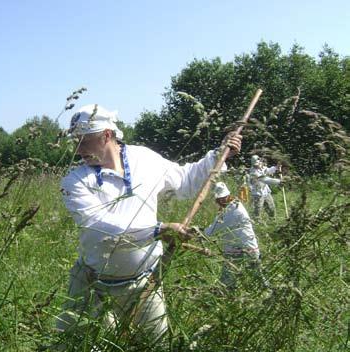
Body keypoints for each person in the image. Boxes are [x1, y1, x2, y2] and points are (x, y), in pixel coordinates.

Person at [56, 104, 242, 343]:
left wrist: (218, 155)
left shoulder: (143, 157)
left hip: (144, 282)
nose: (78, 149)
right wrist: (157, 230)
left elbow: (185, 181)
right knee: (73, 344)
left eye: (84, 141)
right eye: (76, 141)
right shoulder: (75, 181)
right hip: (93, 285)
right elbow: (97, 227)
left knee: (156, 345)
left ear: (106, 135)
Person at [204, 182, 269, 290]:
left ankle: (267, 294)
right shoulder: (234, 205)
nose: (216, 202)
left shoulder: (231, 211)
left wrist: (193, 231)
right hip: (240, 248)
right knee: (252, 277)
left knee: (253, 278)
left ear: (222, 199)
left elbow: (209, 232)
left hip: (245, 250)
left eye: (217, 200)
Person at [248, 155, 281, 220]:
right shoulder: (253, 172)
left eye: (258, 163)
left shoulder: (262, 167)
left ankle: (272, 220)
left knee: (271, 208)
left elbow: (268, 170)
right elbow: (266, 180)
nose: (257, 165)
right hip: (257, 194)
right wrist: (279, 181)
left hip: (266, 192)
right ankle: (257, 223)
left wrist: (276, 167)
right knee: (257, 211)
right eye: (255, 164)